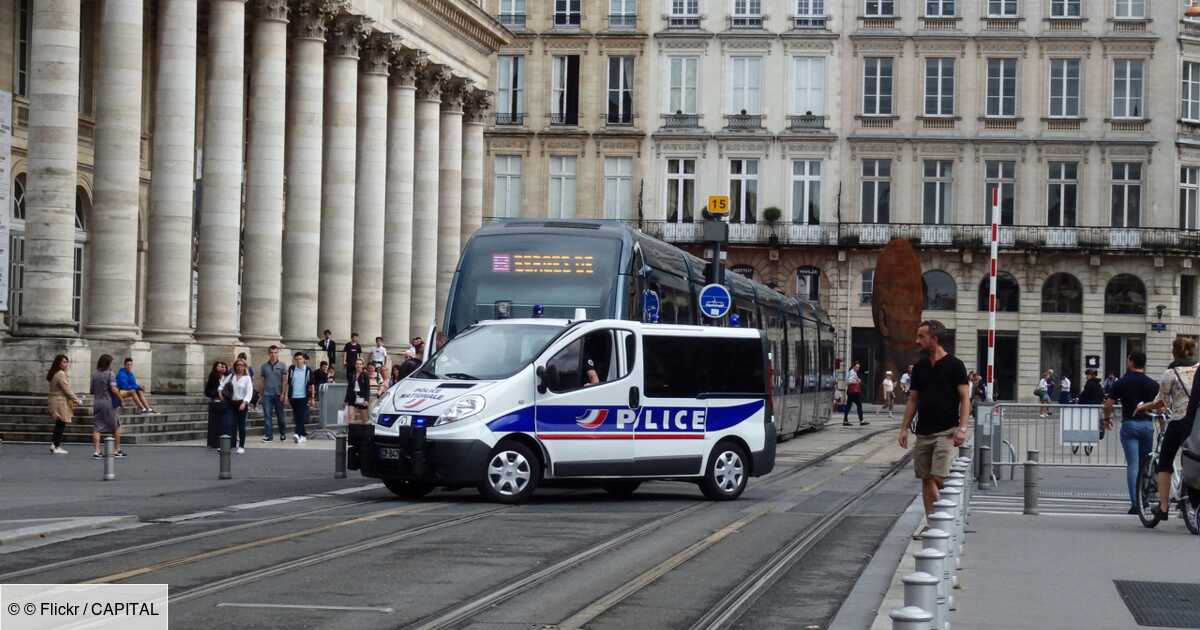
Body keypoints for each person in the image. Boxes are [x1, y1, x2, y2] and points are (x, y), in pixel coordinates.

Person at [899, 320, 969, 536]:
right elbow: (913, 399)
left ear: (934, 339)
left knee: (938, 476)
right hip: (923, 431)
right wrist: (903, 428)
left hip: (946, 431)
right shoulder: (919, 367)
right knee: (926, 478)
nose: (917, 341)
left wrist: (962, 428)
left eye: (921, 336)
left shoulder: (955, 365)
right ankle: (933, 523)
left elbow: (965, 398)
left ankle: (945, 513)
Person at [1134, 337, 1198, 521]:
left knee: (1165, 462)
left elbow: (1161, 402)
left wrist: (1142, 407)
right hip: (1198, 423)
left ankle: (1163, 507)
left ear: (1174, 352)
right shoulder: (1198, 369)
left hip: (1180, 421)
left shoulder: (1170, 374)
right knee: (1194, 459)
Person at [1104, 352, 1159, 515]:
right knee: (1146, 463)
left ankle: (1136, 503)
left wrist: (1106, 418)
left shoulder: (1122, 382)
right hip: (1148, 425)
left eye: (1128, 359)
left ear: (1131, 361)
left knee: (1133, 465)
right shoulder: (1152, 384)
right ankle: (1146, 500)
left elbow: (1109, 403)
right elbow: (1159, 405)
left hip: (1130, 424)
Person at [90, 354, 126, 459]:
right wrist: (121, 398)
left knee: (97, 427)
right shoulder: (111, 374)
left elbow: (92, 390)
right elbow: (114, 389)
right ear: (107, 363)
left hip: (97, 402)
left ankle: (97, 451)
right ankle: (116, 450)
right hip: (108, 402)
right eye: (111, 362)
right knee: (116, 426)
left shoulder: (95, 374)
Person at [46, 354, 81, 455]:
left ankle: (54, 444)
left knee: (59, 424)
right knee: (61, 423)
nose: (66, 364)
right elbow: (67, 390)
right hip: (60, 401)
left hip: (55, 400)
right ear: (59, 363)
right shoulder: (61, 373)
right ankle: (57, 446)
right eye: (64, 362)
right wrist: (77, 400)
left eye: (66, 362)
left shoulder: (55, 373)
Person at [221, 359, 254, 454]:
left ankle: (241, 446)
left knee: (241, 426)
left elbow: (249, 392)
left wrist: (244, 403)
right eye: (238, 365)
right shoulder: (232, 376)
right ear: (235, 366)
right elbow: (222, 385)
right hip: (232, 403)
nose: (239, 367)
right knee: (231, 424)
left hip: (242, 403)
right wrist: (221, 394)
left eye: (242, 365)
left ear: (244, 367)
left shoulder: (247, 378)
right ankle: (231, 444)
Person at [344, 358, 372, 469]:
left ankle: (366, 436)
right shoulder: (352, 374)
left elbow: (367, 388)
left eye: (360, 364)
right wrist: (345, 399)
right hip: (352, 398)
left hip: (361, 398)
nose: (358, 365)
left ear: (362, 365)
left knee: (365, 419)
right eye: (357, 364)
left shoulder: (365, 375)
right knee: (350, 416)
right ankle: (350, 435)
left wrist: (366, 400)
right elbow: (349, 388)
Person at [282, 351, 316, 444]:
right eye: (296, 359)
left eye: (300, 359)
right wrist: (285, 396)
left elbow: (312, 385)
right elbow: (288, 383)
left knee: (301, 416)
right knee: (297, 416)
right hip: (293, 397)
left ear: (304, 359)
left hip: (303, 396)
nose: (298, 361)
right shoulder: (292, 369)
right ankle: (303, 435)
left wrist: (312, 398)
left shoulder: (308, 370)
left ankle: (297, 433)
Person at [258, 345, 287, 442]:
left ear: (278, 353)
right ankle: (269, 436)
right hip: (267, 394)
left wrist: (284, 394)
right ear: (268, 353)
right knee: (267, 415)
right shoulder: (264, 366)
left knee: (280, 416)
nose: (273, 354)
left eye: (275, 352)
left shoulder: (282, 365)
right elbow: (262, 381)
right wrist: (260, 395)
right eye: (271, 352)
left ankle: (282, 433)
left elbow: (284, 381)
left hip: (278, 394)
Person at [204, 361, 228, 449]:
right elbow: (207, 391)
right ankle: (212, 442)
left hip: (224, 402)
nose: (220, 368)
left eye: (222, 366)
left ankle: (221, 442)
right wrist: (216, 393)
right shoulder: (213, 376)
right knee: (213, 424)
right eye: (218, 366)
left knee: (222, 424)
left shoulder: (226, 377)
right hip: (215, 402)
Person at [843, 361, 867, 426]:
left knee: (848, 406)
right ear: (854, 367)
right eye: (857, 367)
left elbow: (848, 380)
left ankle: (845, 420)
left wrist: (857, 379)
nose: (858, 368)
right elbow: (849, 381)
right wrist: (857, 381)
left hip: (851, 392)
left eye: (858, 367)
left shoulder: (851, 372)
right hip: (854, 392)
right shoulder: (852, 372)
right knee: (859, 405)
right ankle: (861, 420)